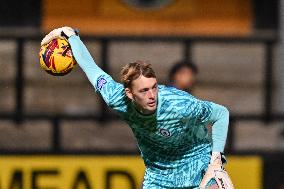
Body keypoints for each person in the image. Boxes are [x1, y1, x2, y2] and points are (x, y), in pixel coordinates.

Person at [41, 27, 234, 189]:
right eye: (143, 90)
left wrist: (215, 160)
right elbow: (90, 68)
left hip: (199, 165)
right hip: (159, 178)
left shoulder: (179, 104)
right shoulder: (116, 97)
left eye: (154, 87)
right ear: (129, 94)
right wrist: (71, 36)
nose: (152, 96)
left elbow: (220, 113)